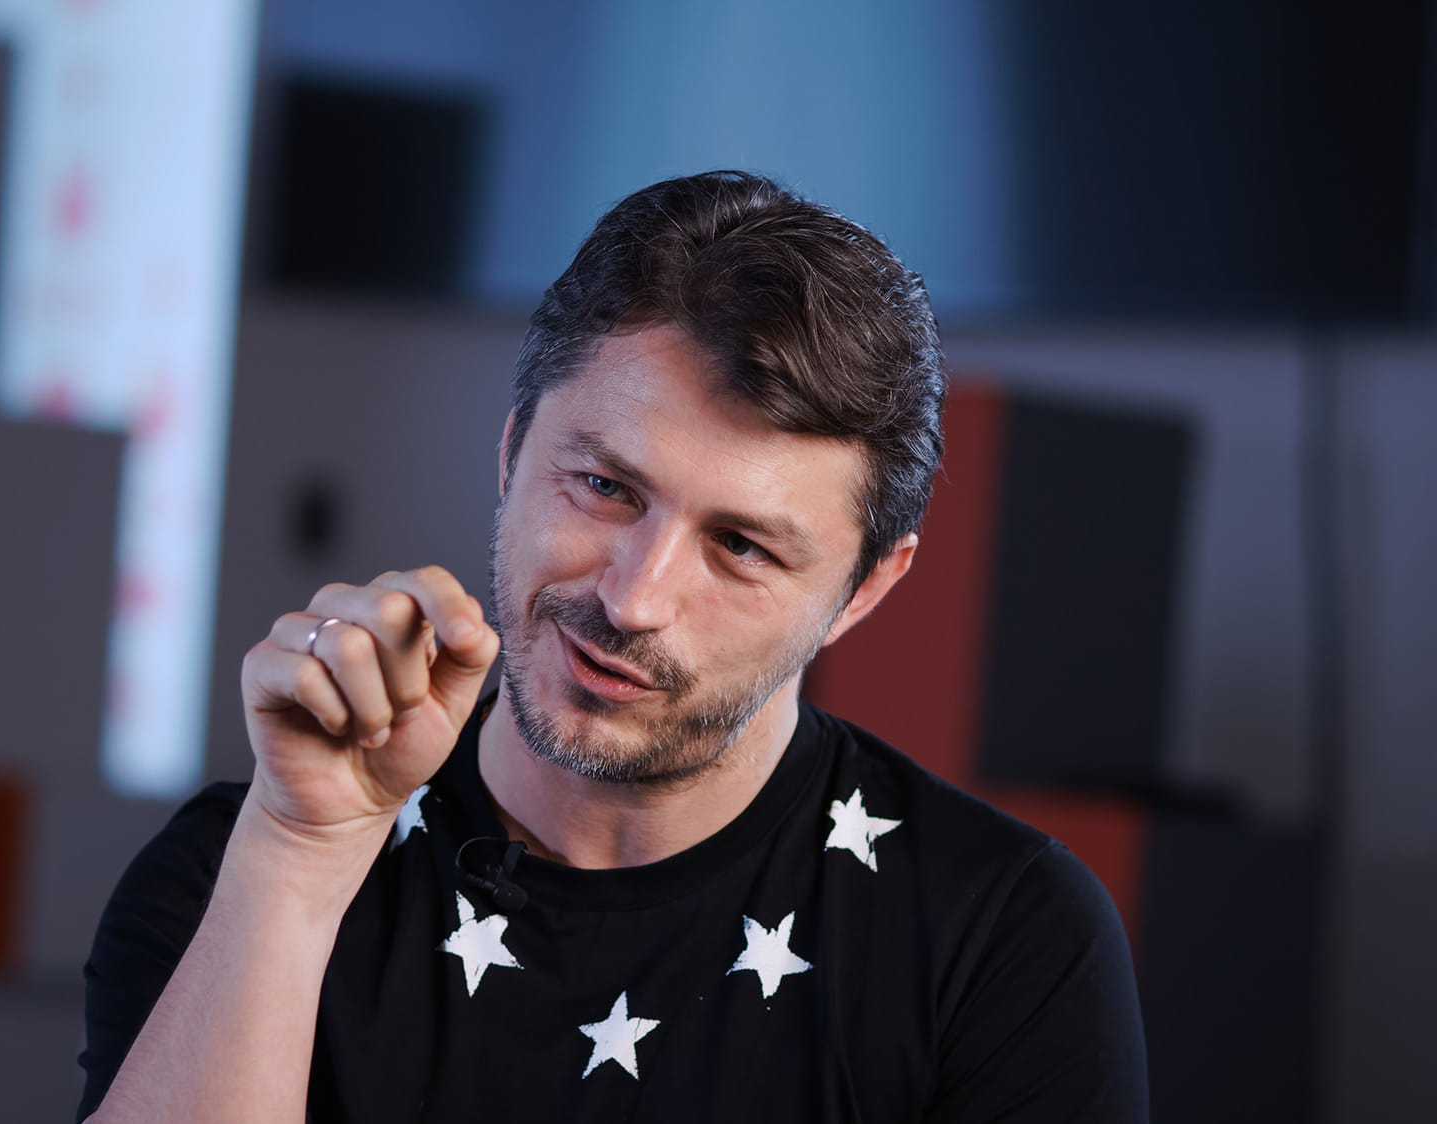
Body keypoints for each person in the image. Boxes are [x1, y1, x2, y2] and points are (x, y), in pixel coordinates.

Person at [77, 171, 1148, 1122]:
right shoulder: (238, 866)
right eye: (603, 486)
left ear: (862, 589)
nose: (633, 599)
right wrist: (297, 857)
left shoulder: (1000, 937)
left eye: (739, 547)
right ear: (512, 453)